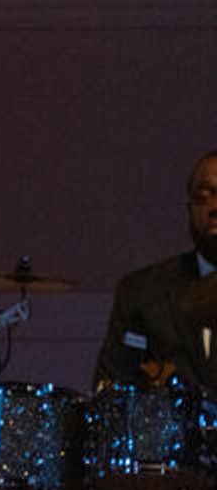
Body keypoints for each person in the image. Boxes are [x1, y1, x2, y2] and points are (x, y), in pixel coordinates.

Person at [95, 151, 217, 394]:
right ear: (189, 210)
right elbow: (111, 393)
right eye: (203, 197)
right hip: (170, 431)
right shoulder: (142, 292)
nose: (214, 206)